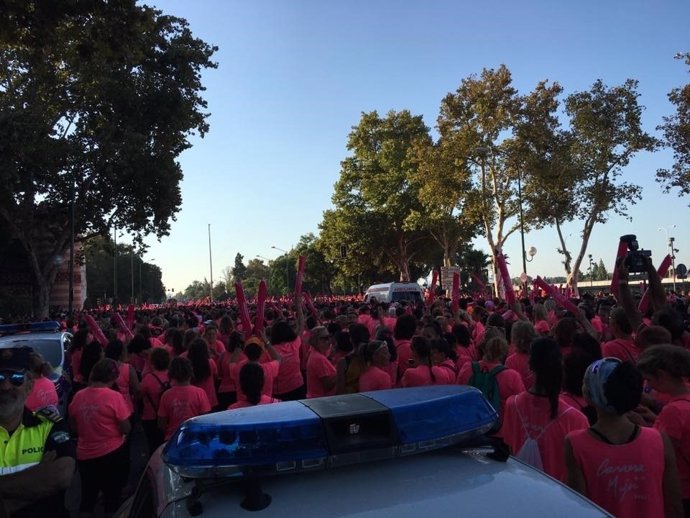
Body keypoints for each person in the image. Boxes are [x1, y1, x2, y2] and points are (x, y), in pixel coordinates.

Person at [564, 358, 682, 518]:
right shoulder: (659, 440)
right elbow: (674, 506)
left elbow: (577, 507)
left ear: (591, 395)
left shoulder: (575, 444)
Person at [0, 347, 75, 518]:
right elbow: (51, 482)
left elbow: (62, 475)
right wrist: (38, 477)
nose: (5, 386)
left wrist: (7, 505)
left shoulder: (49, 425)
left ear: (29, 386)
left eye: (16, 379)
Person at [502, 338, 588, 482]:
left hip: (519, 487)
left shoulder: (512, 405)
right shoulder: (576, 419)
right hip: (556, 496)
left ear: (530, 365)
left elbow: (510, 450)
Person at [69, 358, 131, 518]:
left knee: (88, 497)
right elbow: (126, 427)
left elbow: (73, 426)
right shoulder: (114, 397)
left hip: (85, 454)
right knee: (112, 498)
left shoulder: (78, 396)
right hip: (112, 452)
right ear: (113, 377)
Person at [637, 345, 690, 517]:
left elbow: (663, 452)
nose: (647, 384)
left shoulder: (672, 412)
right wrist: (654, 418)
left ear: (661, 375)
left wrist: (639, 425)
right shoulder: (682, 403)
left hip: (682, 490)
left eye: (649, 379)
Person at [157, 357, 211, 441]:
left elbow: (161, 423)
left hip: (173, 438)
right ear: (190, 372)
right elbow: (205, 419)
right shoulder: (199, 392)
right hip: (195, 437)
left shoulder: (166, 395)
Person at [140, 348, 170, 455]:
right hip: (168, 415)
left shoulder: (148, 378)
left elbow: (140, 395)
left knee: (153, 446)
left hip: (150, 416)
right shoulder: (172, 376)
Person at [306, 326, 337, 398]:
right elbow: (327, 387)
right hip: (321, 401)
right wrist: (340, 370)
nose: (329, 340)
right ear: (315, 341)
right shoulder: (318, 358)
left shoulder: (316, 353)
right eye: (325, 338)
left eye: (329, 337)